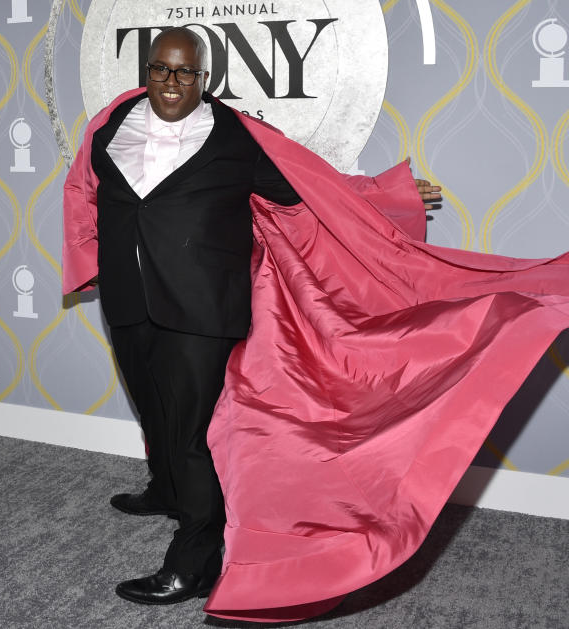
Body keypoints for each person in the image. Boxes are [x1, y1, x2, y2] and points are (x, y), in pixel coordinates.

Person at [62, 26, 442, 606]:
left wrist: (388, 195)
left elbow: (313, 190)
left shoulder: (236, 138)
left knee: (191, 433)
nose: (171, 82)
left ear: (204, 77)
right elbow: (90, 195)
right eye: (161, 70)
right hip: (129, 298)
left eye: (185, 72)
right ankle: (165, 489)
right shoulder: (113, 125)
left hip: (201, 307)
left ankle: (193, 561)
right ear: (147, 71)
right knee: (154, 407)